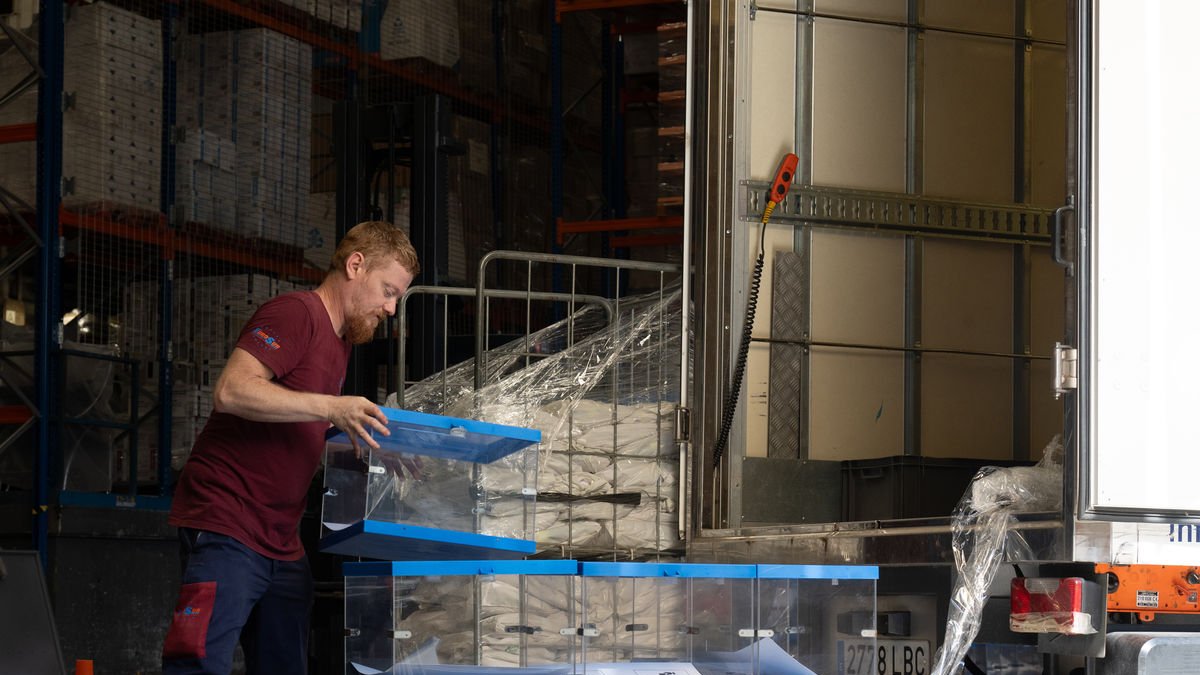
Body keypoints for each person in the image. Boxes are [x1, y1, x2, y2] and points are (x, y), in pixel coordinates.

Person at [161, 220, 419, 674]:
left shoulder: (340, 343)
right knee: (198, 663)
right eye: (388, 290)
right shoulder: (294, 314)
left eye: (397, 296)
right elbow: (232, 391)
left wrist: (364, 446)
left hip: (279, 536)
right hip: (229, 521)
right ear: (355, 265)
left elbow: (300, 421)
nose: (391, 307)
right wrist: (332, 408)